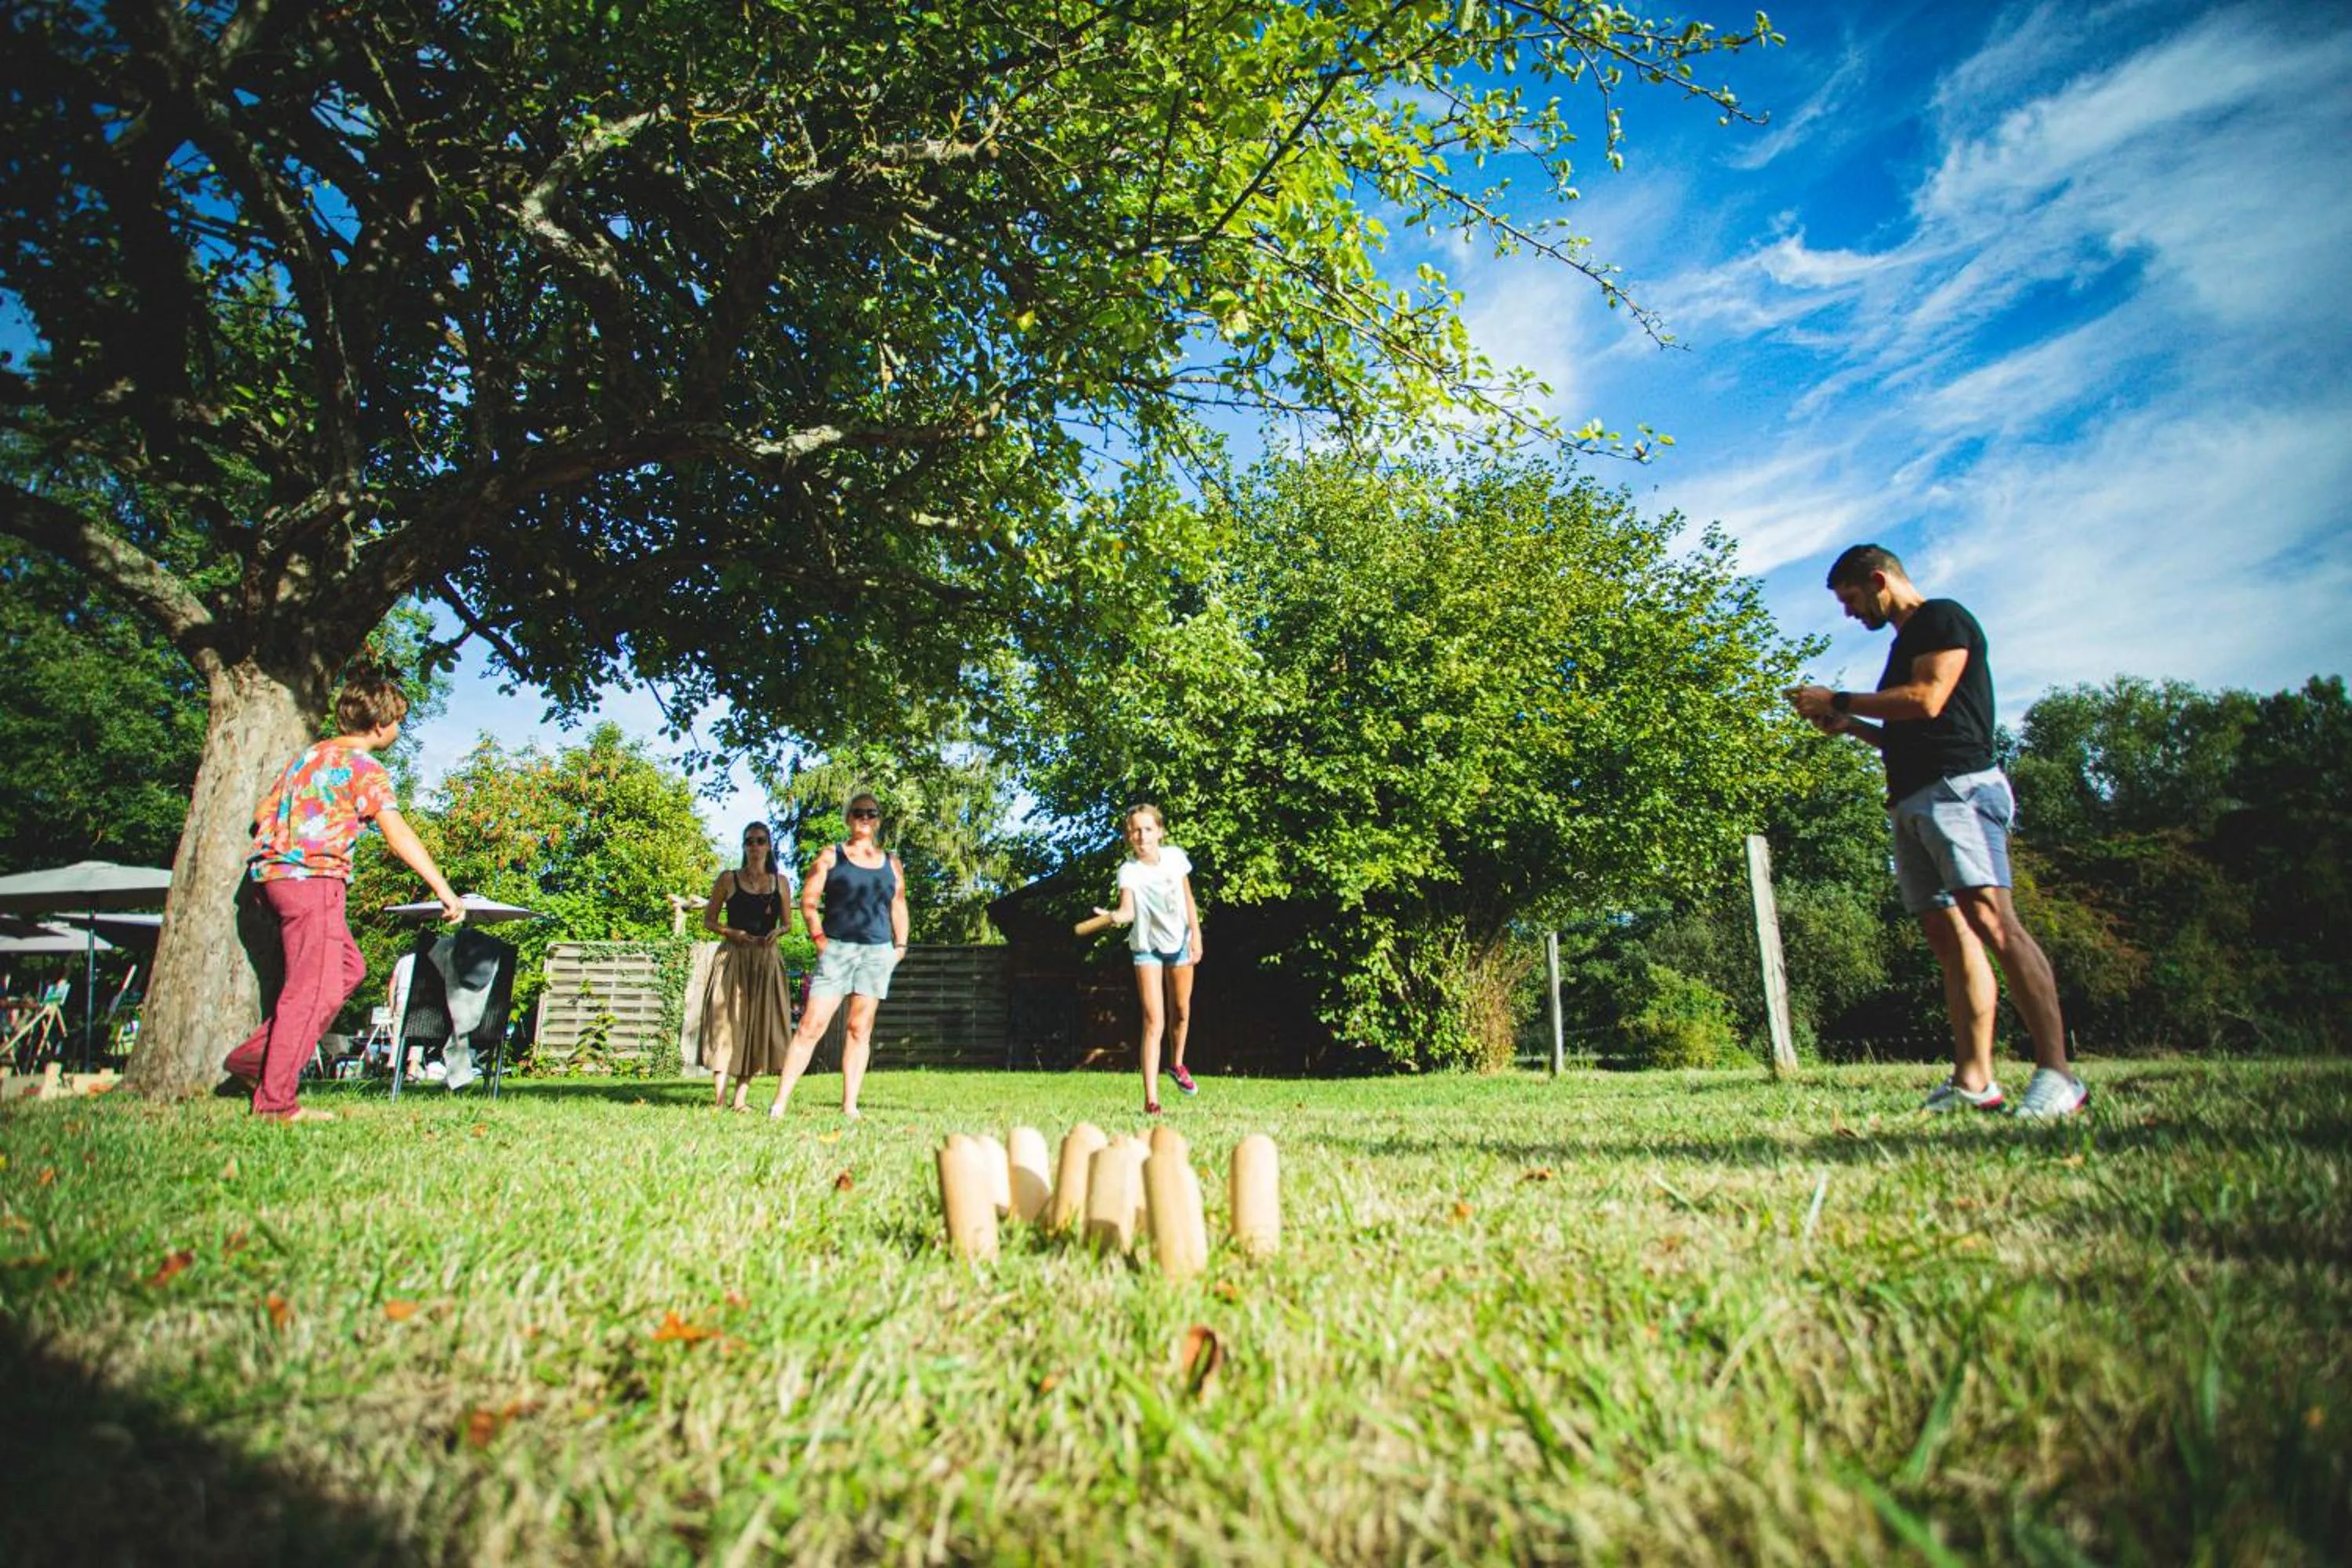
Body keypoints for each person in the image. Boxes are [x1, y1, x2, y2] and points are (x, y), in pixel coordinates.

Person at [1787, 544, 2086, 1118]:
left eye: (1851, 600)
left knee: (1994, 922)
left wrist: (1839, 697)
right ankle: (1975, 1080)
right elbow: (1906, 732)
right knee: (1949, 939)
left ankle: (2059, 1074)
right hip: (1913, 798)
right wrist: (1851, 726)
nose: (1850, 614)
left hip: (1959, 791)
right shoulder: (1904, 645)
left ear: (1879, 580)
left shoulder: (1941, 619)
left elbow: (1927, 701)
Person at [225, 673, 463, 1122]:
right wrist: (442, 887)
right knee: (308, 990)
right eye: (398, 723)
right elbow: (398, 834)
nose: (398, 731)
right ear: (379, 725)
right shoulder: (364, 767)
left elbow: (261, 816)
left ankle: (252, 1061)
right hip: (313, 881)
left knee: (348, 969)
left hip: (270, 881)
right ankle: (276, 1104)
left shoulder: (309, 758)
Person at [770, 793, 908, 1120]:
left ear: (878, 820)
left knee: (860, 1028)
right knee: (810, 1025)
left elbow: (898, 904)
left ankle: (850, 1107)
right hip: (838, 949)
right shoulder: (832, 856)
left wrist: (899, 947)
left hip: (877, 952)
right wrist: (820, 940)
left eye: (871, 813)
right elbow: (808, 903)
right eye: (858, 813)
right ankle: (779, 1104)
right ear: (848, 818)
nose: (865, 818)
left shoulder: (891, 862)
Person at [1076, 804, 1203, 1116]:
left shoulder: (1175, 858)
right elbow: (1128, 910)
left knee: (1182, 1012)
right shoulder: (1128, 871)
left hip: (1180, 942)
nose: (1142, 835)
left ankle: (1176, 1064)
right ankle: (1151, 1100)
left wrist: (1196, 936)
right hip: (1146, 946)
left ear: (1160, 832)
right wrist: (1115, 917)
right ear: (1128, 836)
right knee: (1153, 1019)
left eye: (1148, 829)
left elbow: (1188, 899)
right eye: (1135, 830)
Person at [699, 822, 793, 1110]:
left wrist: (779, 932)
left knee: (756, 1025)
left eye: (760, 841)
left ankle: (740, 1100)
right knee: (726, 1023)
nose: (755, 846)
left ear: (769, 846)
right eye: (749, 841)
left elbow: (788, 923)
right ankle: (719, 1099)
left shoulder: (781, 882)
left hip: (765, 960)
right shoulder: (728, 879)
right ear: (744, 846)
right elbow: (709, 920)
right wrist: (732, 933)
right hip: (734, 958)